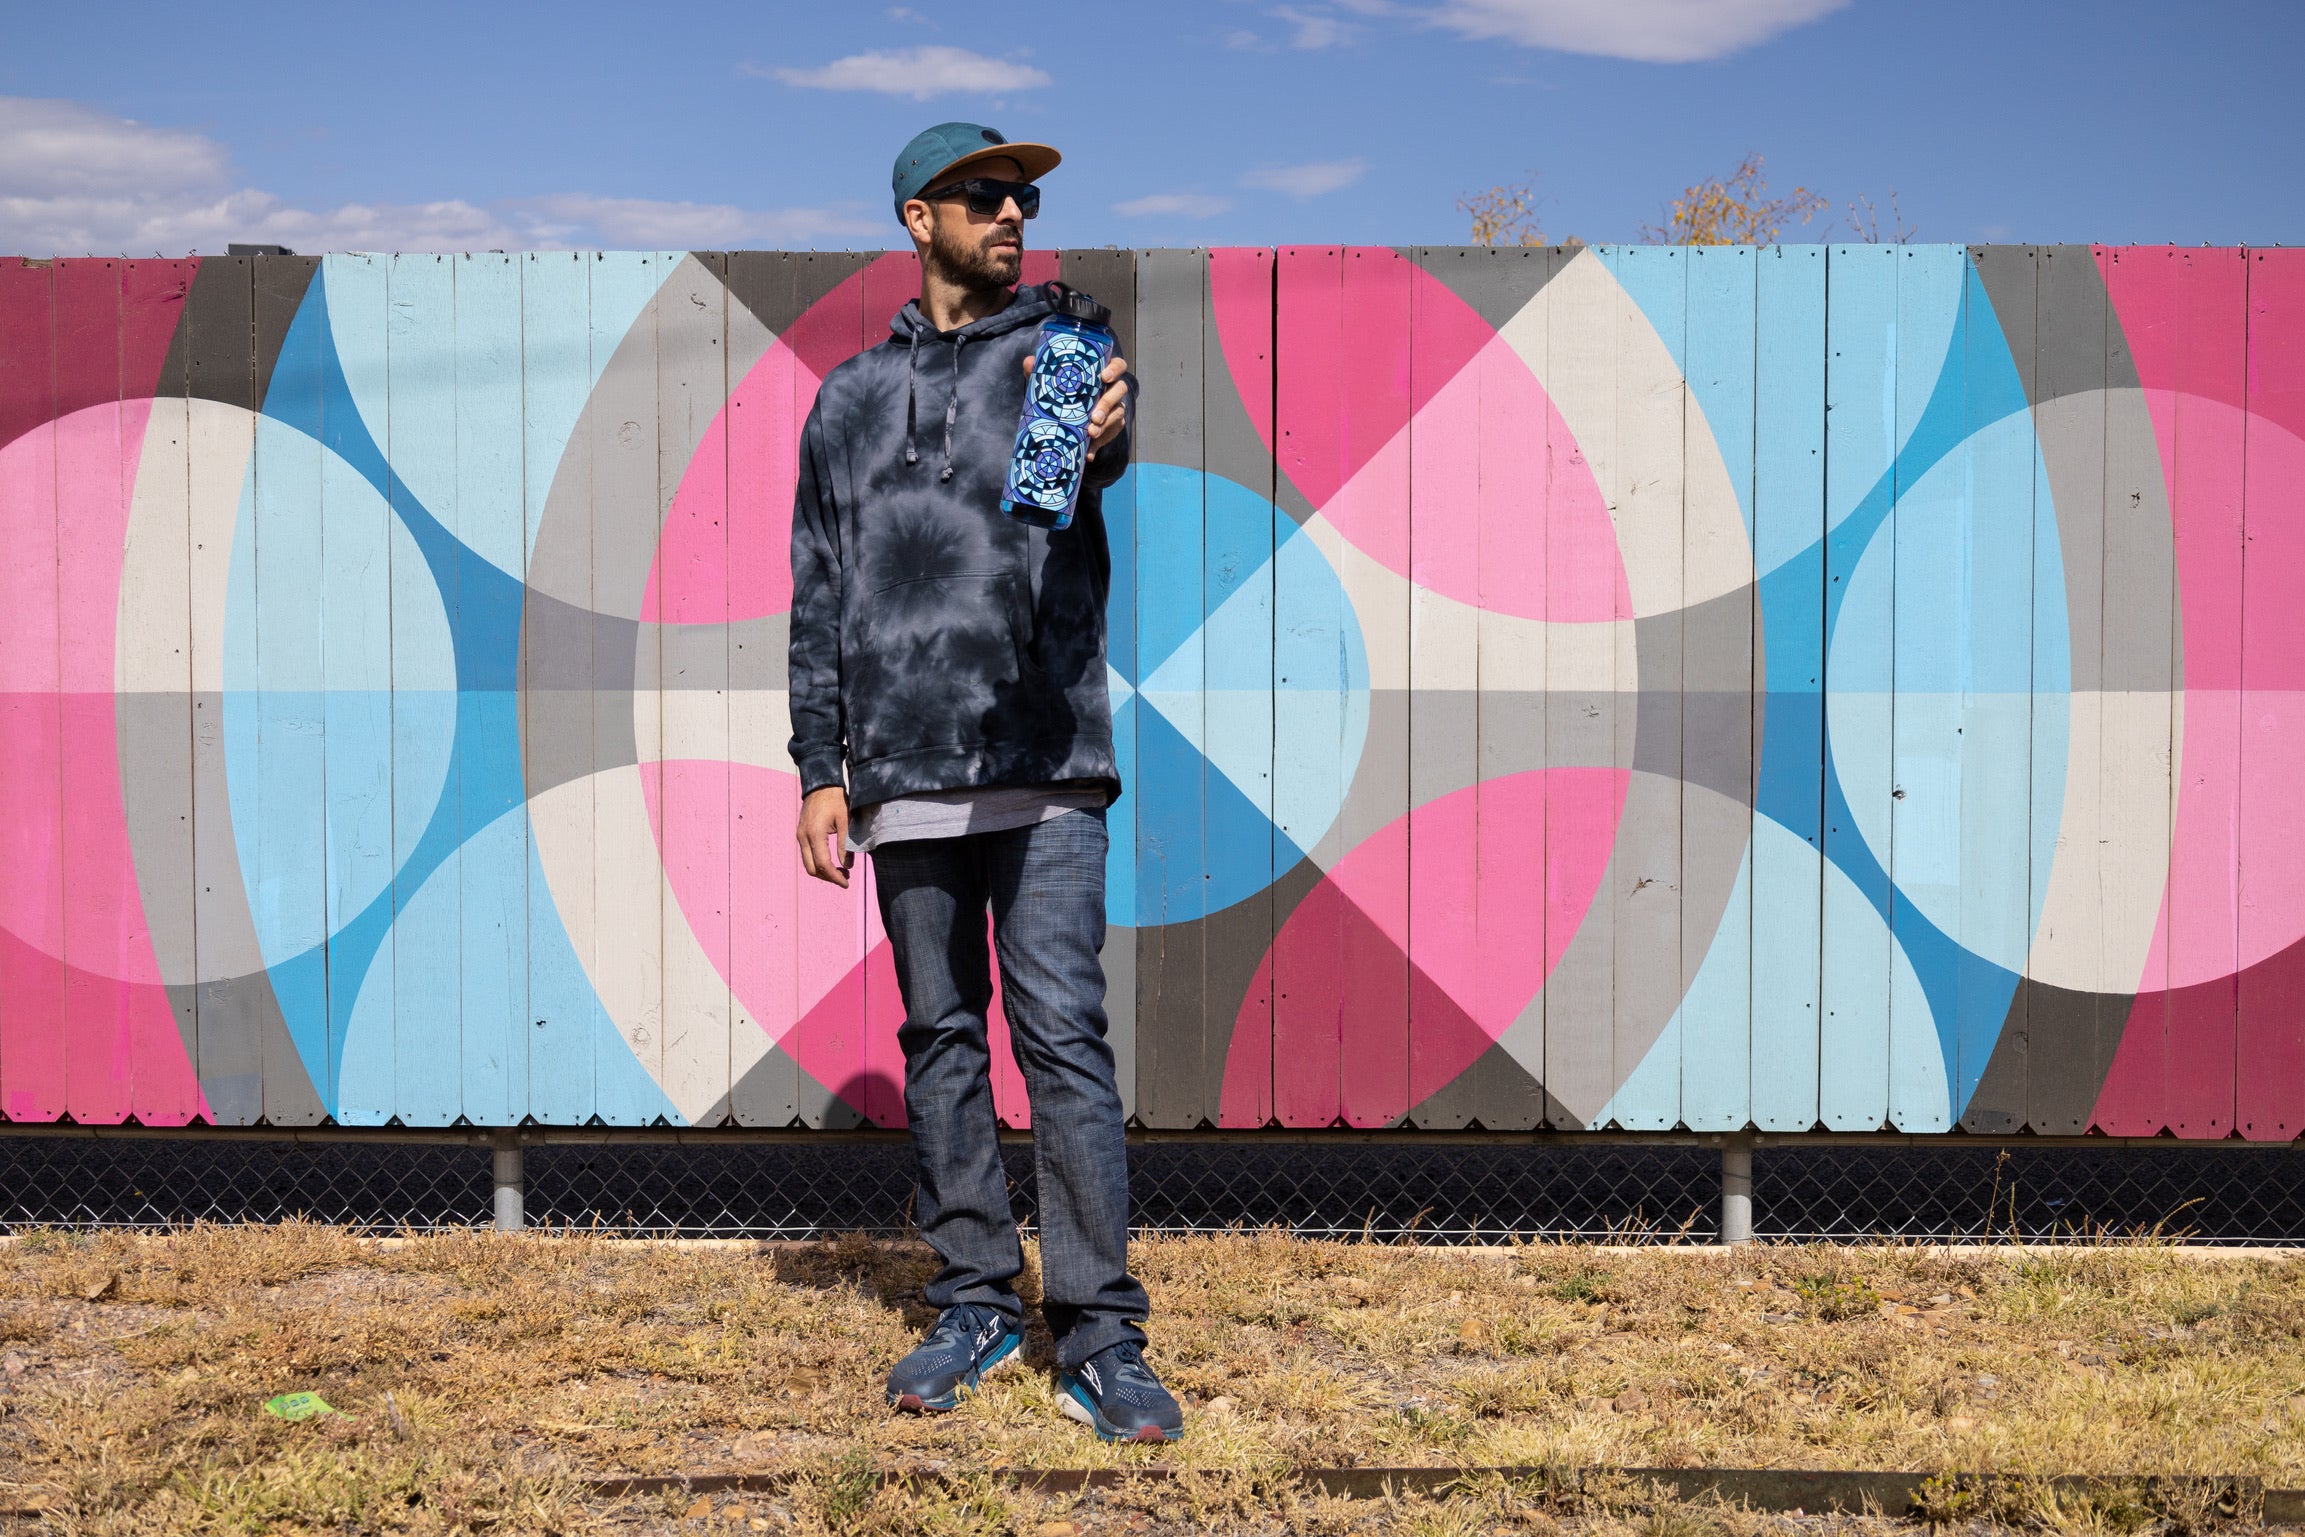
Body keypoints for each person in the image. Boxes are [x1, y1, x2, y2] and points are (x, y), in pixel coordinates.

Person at [784, 121, 1182, 1444]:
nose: (1013, 213)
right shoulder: (848, 400)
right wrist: (820, 768)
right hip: (901, 772)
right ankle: (973, 1300)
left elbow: (1077, 466)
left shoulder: (1059, 351)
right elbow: (818, 593)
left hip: (1045, 761)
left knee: (1061, 1039)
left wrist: (1099, 422)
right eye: (985, 195)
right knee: (940, 1040)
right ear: (920, 218)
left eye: (1024, 199)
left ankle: (1100, 1332)